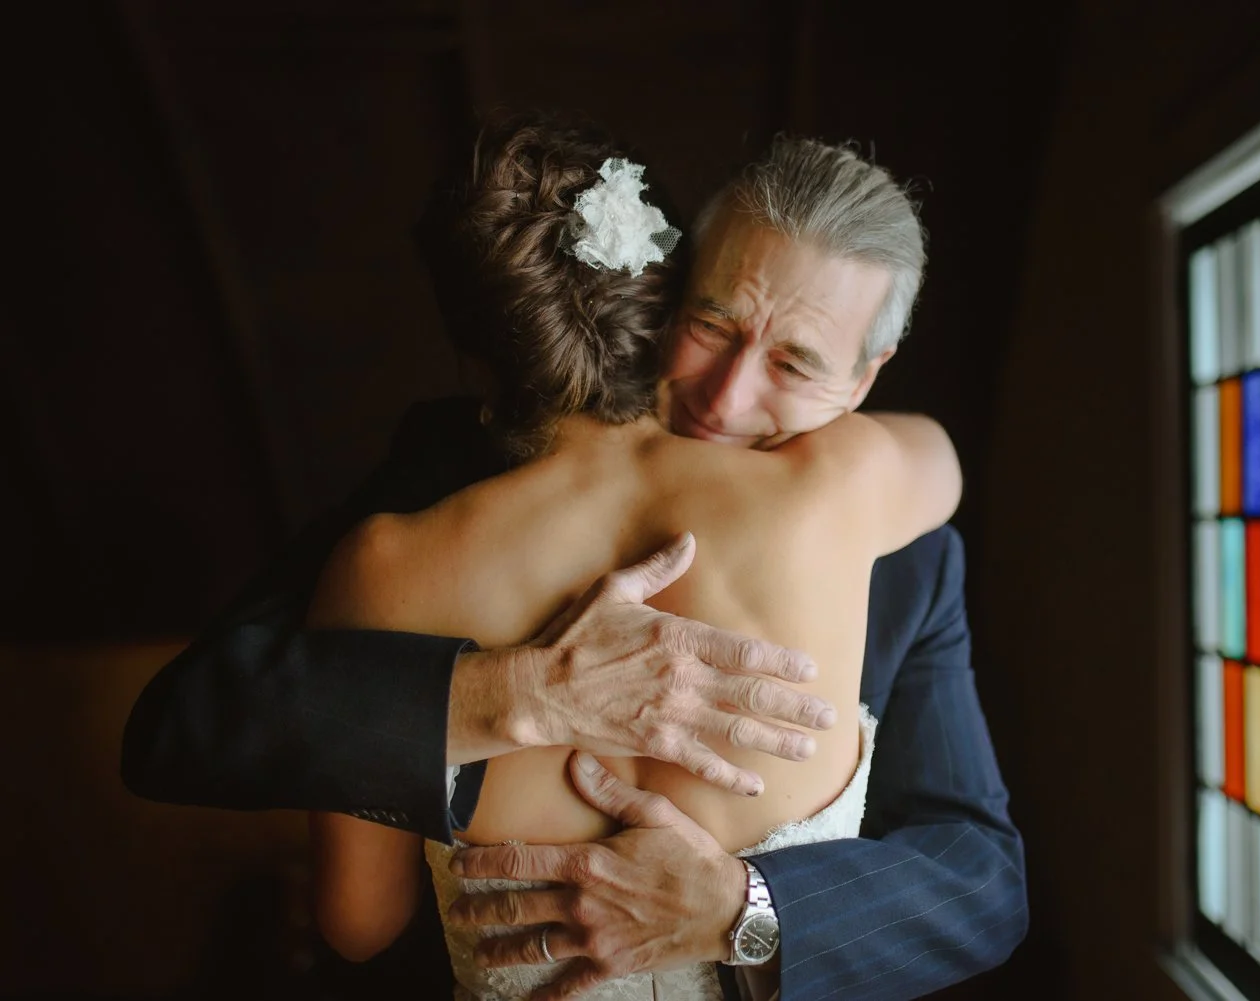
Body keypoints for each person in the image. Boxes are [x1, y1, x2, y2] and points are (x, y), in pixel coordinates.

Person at [121, 111, 1027, 1001]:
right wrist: (505, 693)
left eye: (795, 364)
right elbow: (191, 718)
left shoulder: (909, 554)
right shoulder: (432, 483)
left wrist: (746, 910)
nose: (727, 396)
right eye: (711, 323)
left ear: (866, 380)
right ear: (670, 284)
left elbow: (982, 882)